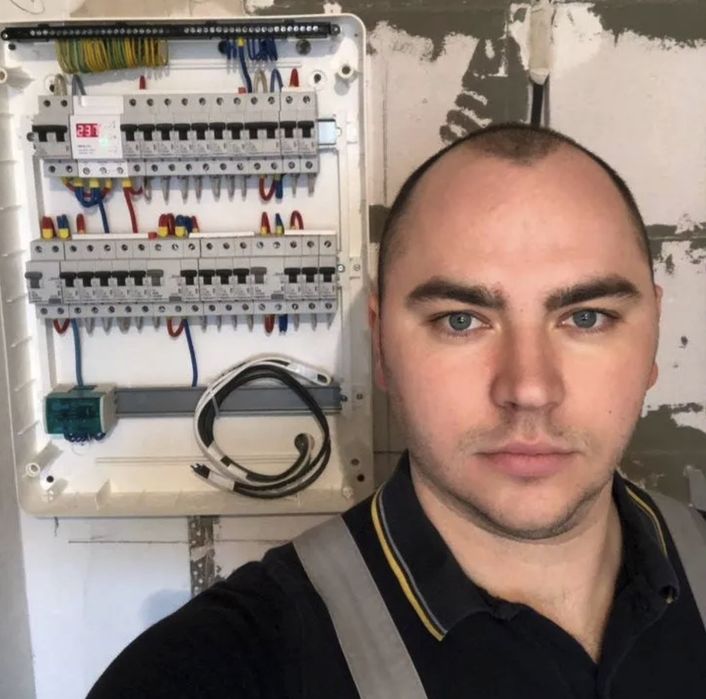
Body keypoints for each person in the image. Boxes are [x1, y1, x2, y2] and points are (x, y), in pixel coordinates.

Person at [88, 123, 706, 698]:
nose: (529, 388)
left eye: (587, 318)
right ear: (381, 345)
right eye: (460, 321)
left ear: (653, 333)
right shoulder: (213, 669)